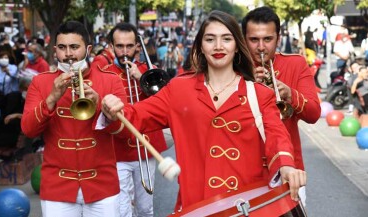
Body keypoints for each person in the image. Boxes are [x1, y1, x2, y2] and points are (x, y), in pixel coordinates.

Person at [97, 10, 306, 211]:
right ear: (200, 46)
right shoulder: (179, 89)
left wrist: (286, 165)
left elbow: (277, 136)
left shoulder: (259, 93)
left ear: (236, 46)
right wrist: (112, 110)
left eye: (226, 39)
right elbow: (135, 117)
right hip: (195, 206)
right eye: (210, 39)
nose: (218, 46)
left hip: (245, 205)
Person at [21, 20, 127, 217]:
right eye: (62, 48)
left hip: (101, 184)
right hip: (57, 186)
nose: (68, 54)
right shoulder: (40, 82)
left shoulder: (110, 80)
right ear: (55, 51)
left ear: (87, 49)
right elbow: (28, 129)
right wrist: (52, 98)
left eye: (74, 47)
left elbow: (126, 131)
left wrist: (100, 105)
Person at [242, 6, 321, 171]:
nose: (261, 47)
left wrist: (290, 94)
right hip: (245, 168)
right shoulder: (233, 69)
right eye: (254, 39)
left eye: (268, 39)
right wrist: (245, 86)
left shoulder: (296, 64)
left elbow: (314, 114)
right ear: (244, 40)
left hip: (289, 166)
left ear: (278, 39)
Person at [102, 22, 167, 217]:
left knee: (145, 208)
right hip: (116, 150)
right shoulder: (105, 74)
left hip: (146, 147)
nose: (124, 51)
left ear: (137, 46)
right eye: (119, 46)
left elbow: (164, 104)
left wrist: (141, 78)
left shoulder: (150, 71)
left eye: (129, 46)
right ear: (111, 47)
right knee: (121, 210)